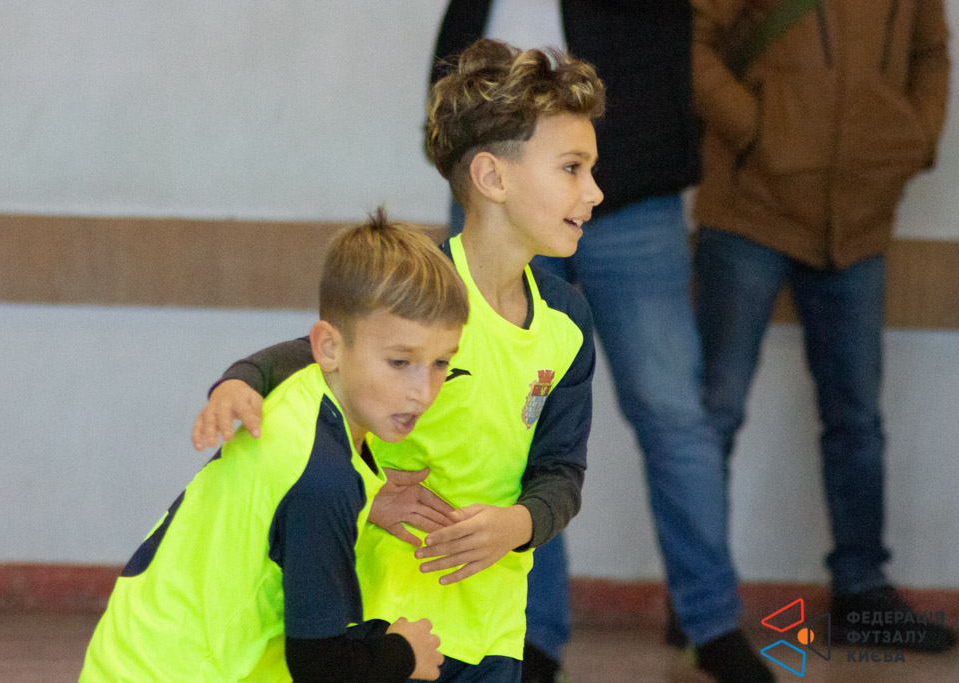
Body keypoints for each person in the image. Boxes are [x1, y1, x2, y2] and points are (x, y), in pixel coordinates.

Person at [192, 39, 604, 680]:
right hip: (379, 621)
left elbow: (560, 472)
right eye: (572, 168)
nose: (595, 192)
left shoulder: (568, 322)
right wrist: (239, 384)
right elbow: (306, 356)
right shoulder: (421, 291)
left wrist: (519, 524)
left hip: (493, 630)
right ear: (492, 178)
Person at [432, 3, 776, 682]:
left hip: (636, 187)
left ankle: (710, 623)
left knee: (673, 414)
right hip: (499, 186)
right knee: (505, 418)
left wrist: (586, 164)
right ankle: (530, 637)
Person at [80, 213, 469, 682]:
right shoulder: (323, 479)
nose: (423, 392)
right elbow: (319, 667)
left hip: (134, 653)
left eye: (440, 363)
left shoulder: (303, 389)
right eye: (400, 362)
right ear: (329, 347)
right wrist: (403, 653)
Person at [692, 0, 956, 653]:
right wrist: (756, 131)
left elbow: (930, 54)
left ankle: (862, 592)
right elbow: (691, 41)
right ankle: (701, 603)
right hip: (750, 212)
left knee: (857, 420)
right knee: (715, 414)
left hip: (859, 220)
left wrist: (915, 139)